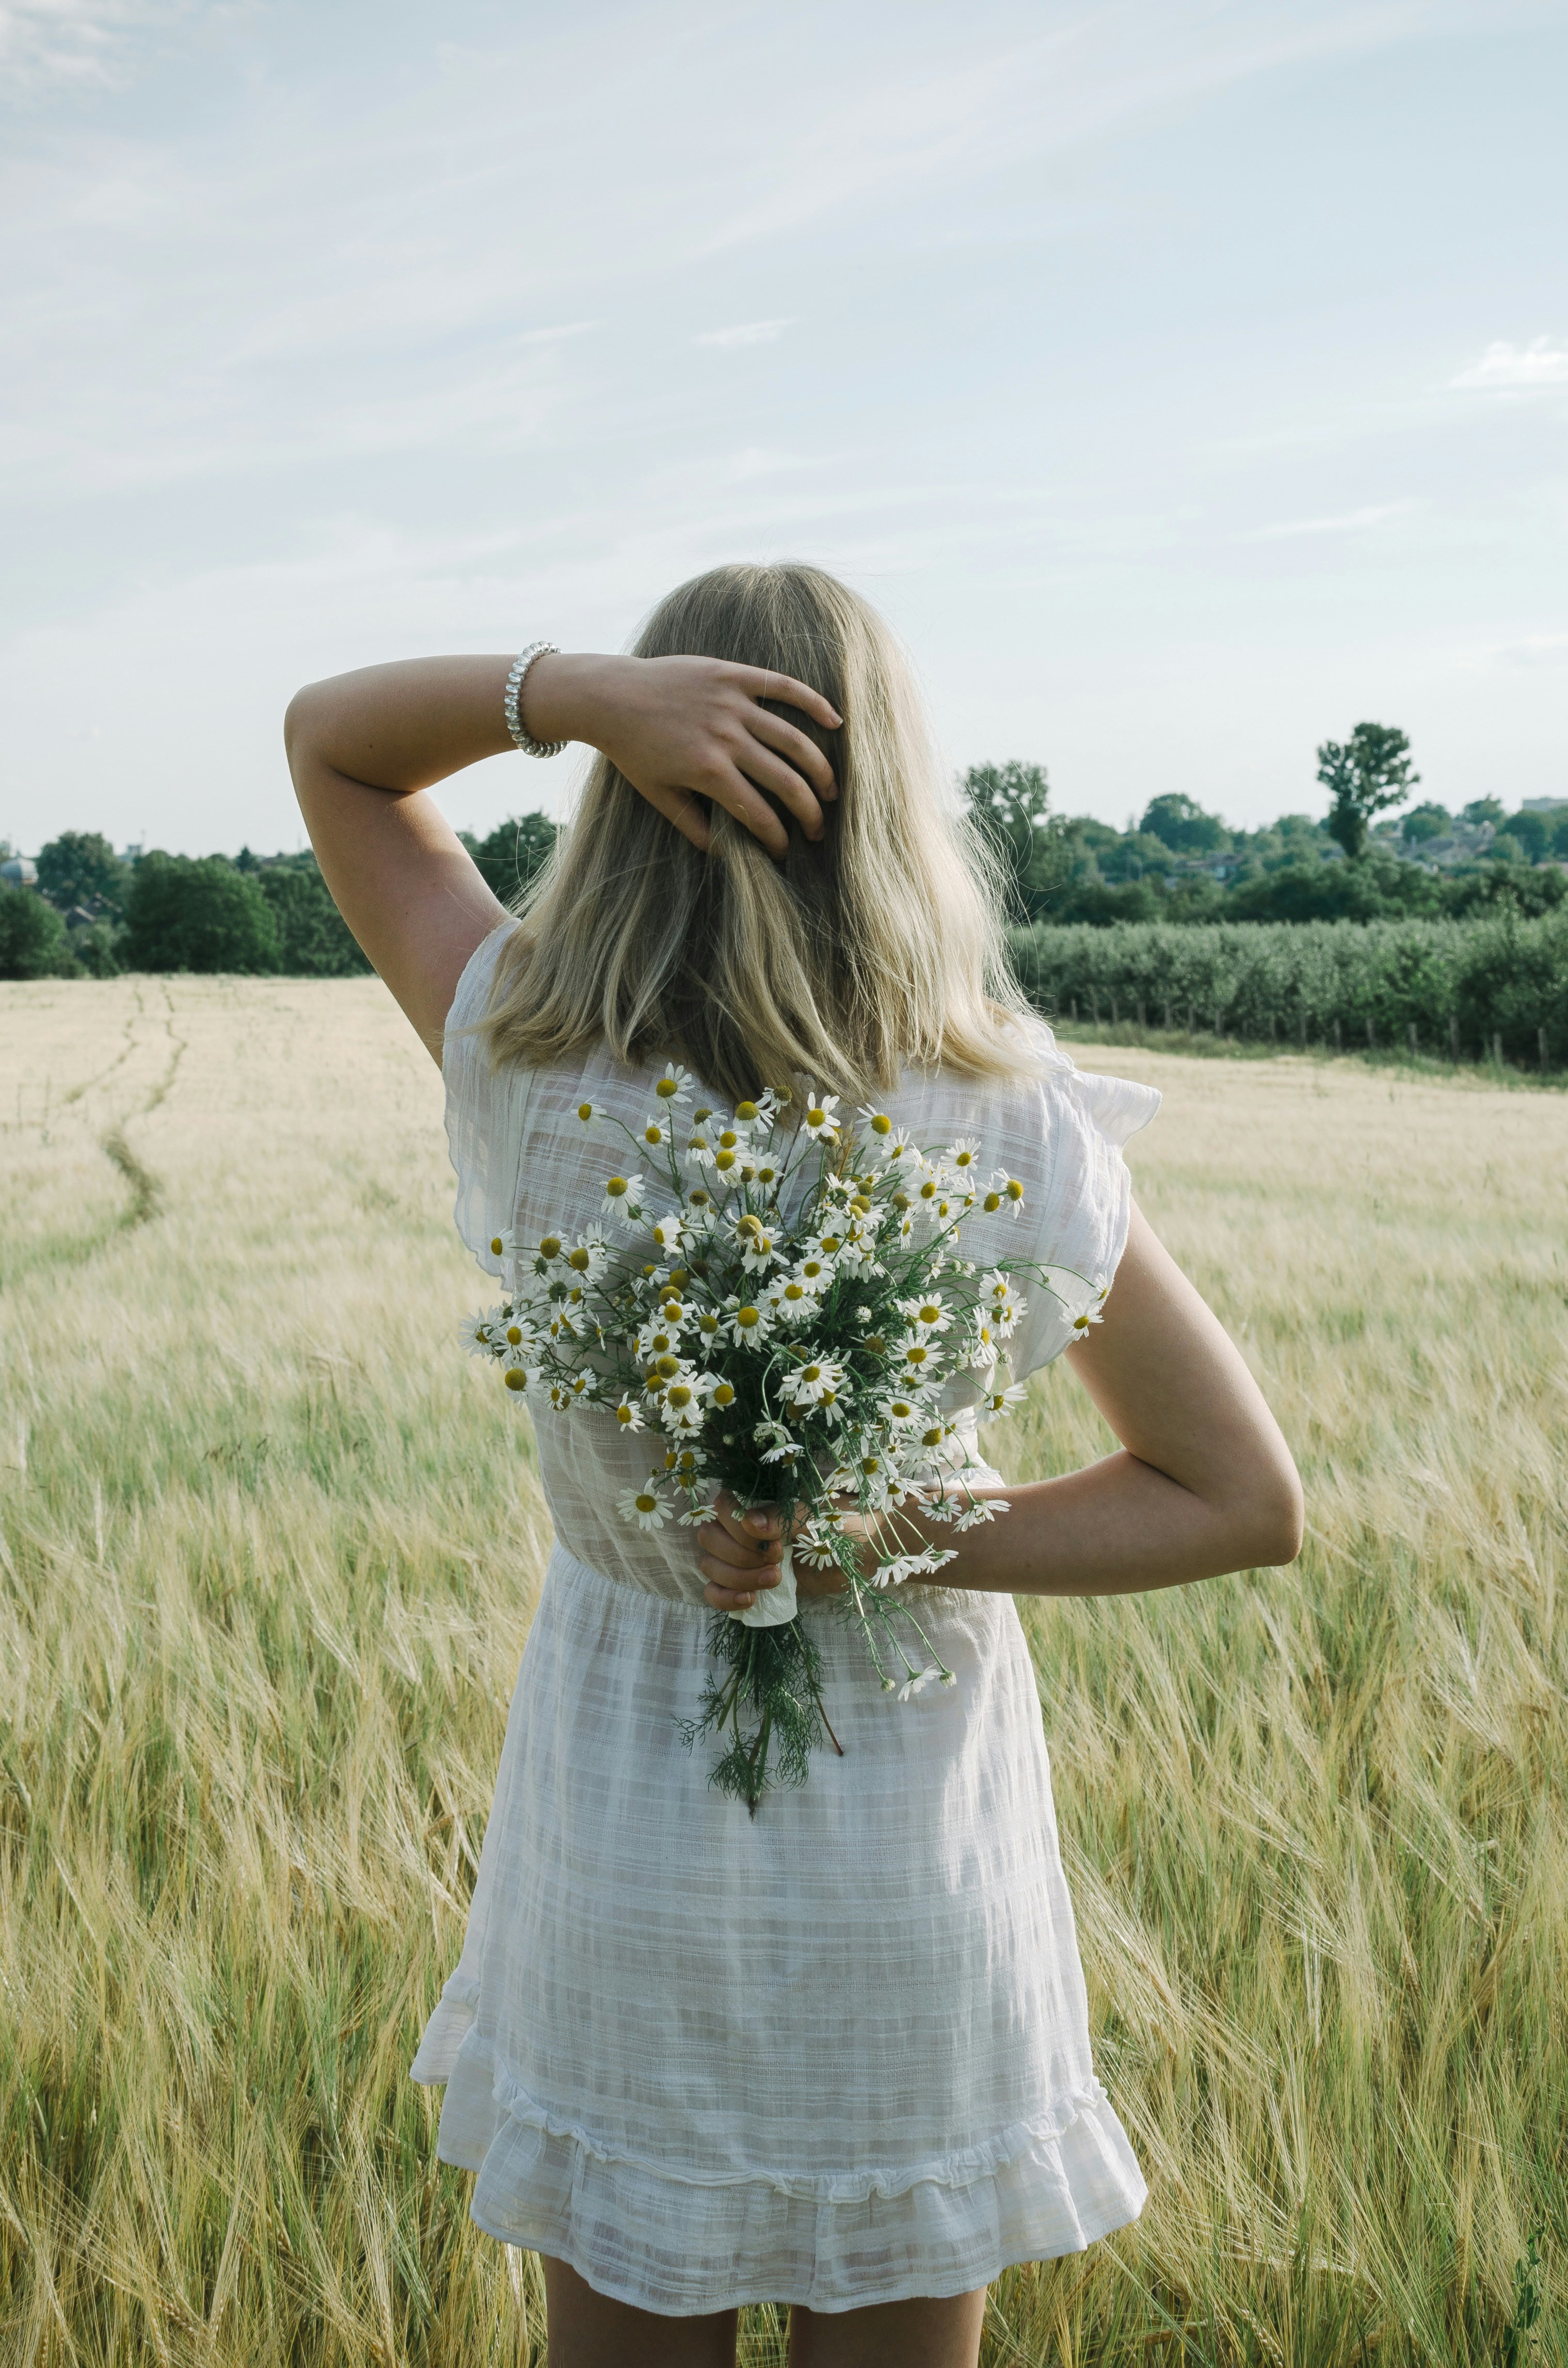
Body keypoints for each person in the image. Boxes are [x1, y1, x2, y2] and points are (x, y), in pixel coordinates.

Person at [285, 562, 1302, 2368]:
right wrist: (887, 1542)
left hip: (623, 1822)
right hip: (913, 1836)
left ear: (634, 785)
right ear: (897, 790)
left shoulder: (525, 1050)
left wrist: (579, 691)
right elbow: (1239, 1495)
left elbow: (334, 750)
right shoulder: (1005, 1112)